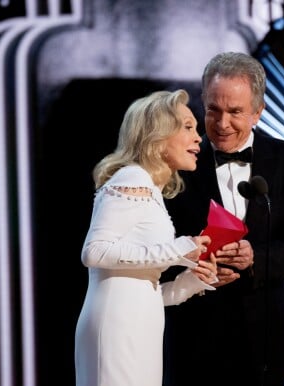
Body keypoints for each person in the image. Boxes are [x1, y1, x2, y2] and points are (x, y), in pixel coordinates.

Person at [161, 52, 284, 386]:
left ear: (258, 112)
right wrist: (193, 263)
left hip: (264, 347)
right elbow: (155, 250)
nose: (222, 124)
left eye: (235, 112)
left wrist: (257, 259)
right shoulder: (173, 166)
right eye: (213, 110)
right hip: (194, 344)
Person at [74, 89, 219, 386]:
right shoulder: (131, 178)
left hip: (137, 328)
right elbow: (94, 252)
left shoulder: (148, 189)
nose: (198, 138)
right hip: (117, 330)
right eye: (188, 127)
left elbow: (141, 290)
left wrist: (190, 283)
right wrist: (180, 249)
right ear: (158, 134)